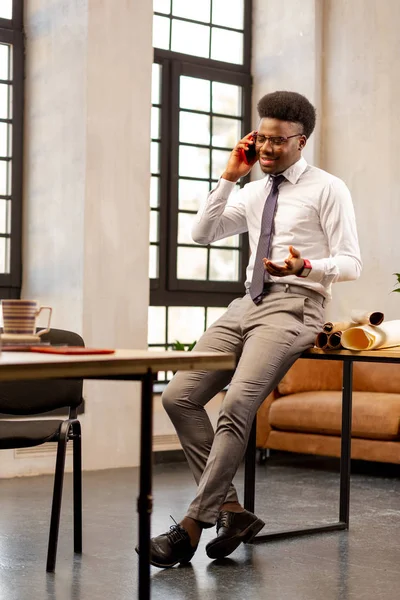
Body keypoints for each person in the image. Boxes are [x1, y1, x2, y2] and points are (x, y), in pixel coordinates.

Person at [148, 90, 362, 568]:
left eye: (277, 142)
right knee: (177, 395)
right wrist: (228, 177)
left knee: (238, 404)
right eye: (260, 139)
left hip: (296, 306)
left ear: (301, 141)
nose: (266, 149)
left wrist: (305, 265)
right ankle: (231, 510)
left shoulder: (328, 188)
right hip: (245, 305)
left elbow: (351, 263)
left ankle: (191, 526)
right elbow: (202, 233)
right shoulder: (251, 189)